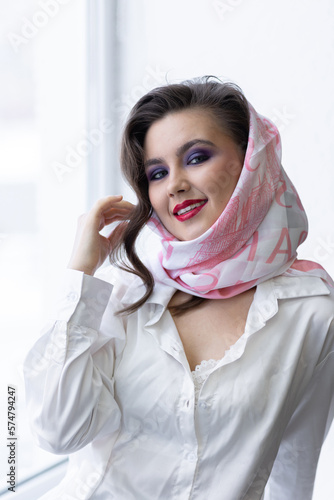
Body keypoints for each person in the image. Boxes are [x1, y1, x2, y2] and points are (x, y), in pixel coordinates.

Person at [24, 77, 334, 500]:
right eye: (157, 172)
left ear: (251, 163)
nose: (174, 185)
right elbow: (59, 432)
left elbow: (295, 462)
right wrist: (83, 271)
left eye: (197, 157)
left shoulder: (312, 309)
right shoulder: (124, 290)